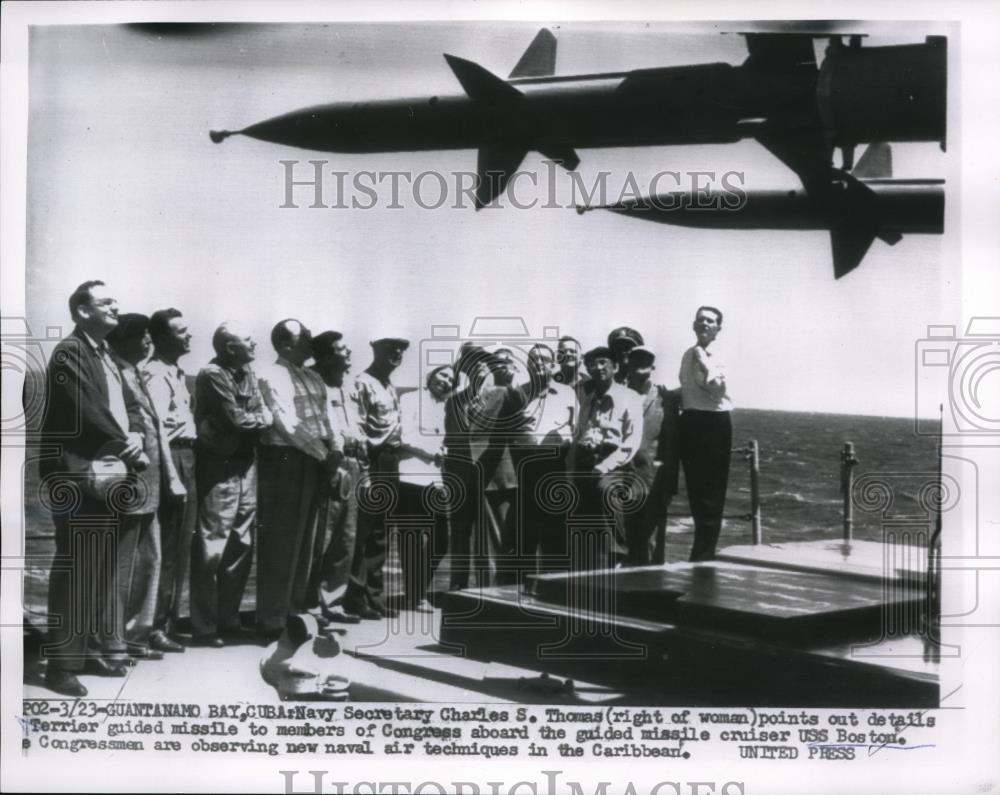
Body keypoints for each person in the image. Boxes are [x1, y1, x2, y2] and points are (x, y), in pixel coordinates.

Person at [40, 280, 147, 696]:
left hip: (107, 473)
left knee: (99, 565)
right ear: (83, 311)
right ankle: (61, 666)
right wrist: (128, 445)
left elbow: (128, 406)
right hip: (79, 473)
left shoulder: (105, 355)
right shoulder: (71, 352)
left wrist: (135, 433)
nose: (115, 307)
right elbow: (88, 409)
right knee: (76, 566)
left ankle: (84, 652)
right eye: (106, 302)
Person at [106, 313, 187, 662]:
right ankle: (121, 638)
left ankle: (136, 636)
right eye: (142, 337)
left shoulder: (133, 372)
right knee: (129, 563)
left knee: (149, 560)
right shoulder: (118, 374)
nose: (148, 343)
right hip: (132, 482)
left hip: (148, 483)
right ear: (125, 340)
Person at [191, 321, 272, 647]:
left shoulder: (247, 372)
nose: (254, 344)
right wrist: (261, 419)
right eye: (248, 339)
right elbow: (237, 418)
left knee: (241, 543)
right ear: (229, 347)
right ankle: (204, 625)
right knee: (212, 546)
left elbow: (253, 411)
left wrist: (255, 417)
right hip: (219, 467)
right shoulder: (212, 374)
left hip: (246, 464)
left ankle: (229, 618)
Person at [256, 319, 335, 640]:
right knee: (282, 539)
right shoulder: (271, 374)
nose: (310, 342)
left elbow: (326, 417)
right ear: (285, 344)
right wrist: (323, 453)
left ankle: (296, 609)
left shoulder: (314, 376)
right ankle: (272, 617)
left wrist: (335, 449)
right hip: (286, 460)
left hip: (315, 459)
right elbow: (286, 422)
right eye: (305, 337)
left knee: (309, 539)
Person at [141, 308, 196, 652]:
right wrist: (173, 475)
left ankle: (165, 622)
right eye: (180, 331)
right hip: (171, 458)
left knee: (178, 547)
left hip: (187, 456)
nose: (188, 336)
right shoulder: (155, 374)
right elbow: (158, 430)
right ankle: (152, 628)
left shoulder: (176, 373)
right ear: (160, 338)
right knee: (164, 547)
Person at [344, 336, 408, 619]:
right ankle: (354, 597)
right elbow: (359, 427)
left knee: (382, 530)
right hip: (371, 458)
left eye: (400, 351)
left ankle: (374, 595)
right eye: (389, 350)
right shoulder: (362, 383)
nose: (396, 355)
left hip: (390, 460)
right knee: (363, 529)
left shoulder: (389, 385)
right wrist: (366, 467)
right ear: (375, 351)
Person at [305, 331, 366, 624]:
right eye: (342, 349)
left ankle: (333, 601)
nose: (349, 352)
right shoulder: (315, 383)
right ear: (327, 356)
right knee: (322, 534)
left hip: (355, 461)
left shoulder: (348, 385)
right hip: (331, 461)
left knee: (346, 535)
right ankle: (309, 602)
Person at [569, 346, 644, 571]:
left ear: (615, 367)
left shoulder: (630, 397)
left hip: (616, 465)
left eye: (603, 363)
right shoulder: (587, 398)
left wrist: (604, 466)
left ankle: (618, 557)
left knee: (605, 490)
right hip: (587, 461)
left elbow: (631, 442)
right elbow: (578, 436)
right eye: (593, 363)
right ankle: (584, 568)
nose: (598, 367)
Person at [509, 344, 576, 577]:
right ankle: (521, 587)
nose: (539, 363)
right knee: (525, 531)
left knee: (555, 530)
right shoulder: (518, 393)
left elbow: (576, 430)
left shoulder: (568, 393)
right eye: (534, 360)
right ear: (527, 365)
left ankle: (554, 586)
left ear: (554, 365)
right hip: (525, 468)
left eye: (545, 360)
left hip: (556, 465)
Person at [396, 364, 454, 611]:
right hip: (409, 475)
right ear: (430, 376)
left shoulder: (445, 406)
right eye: (442, 375)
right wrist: (432, 453)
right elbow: (404, 435)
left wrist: (442, 452)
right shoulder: (410, 399)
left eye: (452, 379)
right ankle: (415, 595)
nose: (447, 381)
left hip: (433, 478)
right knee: (411, 537)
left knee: (440, 538)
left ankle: (417, 590)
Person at [678, 306, 732, 561]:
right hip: (690, 421)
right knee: (695, 492)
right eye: (700, 320)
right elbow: (687, 389)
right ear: (693, 325)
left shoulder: (719, 355)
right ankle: (698, 553)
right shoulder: (688, 353)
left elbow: (718, 390)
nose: (705, 324)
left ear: (718, 328)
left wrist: (704, 359)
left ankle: (704, 556)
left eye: (710, 321)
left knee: (711, 495)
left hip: (713, 424)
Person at [624, 346, 681, 566]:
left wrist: (669, 485)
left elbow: (672, 445)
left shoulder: (665, 398)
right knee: (624, 540)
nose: (640, 364)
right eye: (635, 359)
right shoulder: (617, 393)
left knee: (651, 544)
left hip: (653, 480)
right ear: (628, 363)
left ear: (653, 366)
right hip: (621, 477)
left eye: (645, 360)